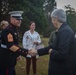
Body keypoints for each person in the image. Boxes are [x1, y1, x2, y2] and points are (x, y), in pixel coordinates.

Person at [30, 9, 75, 75]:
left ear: (56, 19)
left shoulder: (65, 31)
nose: (51, 21)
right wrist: (37, 51)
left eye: (52, 19)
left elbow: (62, 54)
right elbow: (53, 46)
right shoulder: (62, 30)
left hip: (63, 70)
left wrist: (51, 52)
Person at [0, 11, 31, 75]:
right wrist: (26, 51)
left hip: (11, 59)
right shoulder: (8, 30)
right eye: (17, 19)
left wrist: (17, 55)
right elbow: (11, 46)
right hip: (6, 61)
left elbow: (15, 44)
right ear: (11, 19)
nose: (19, 21)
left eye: (20, 19)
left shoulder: (14, 29)